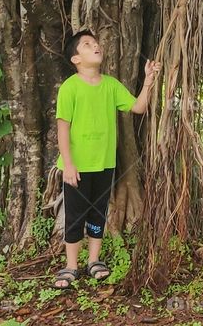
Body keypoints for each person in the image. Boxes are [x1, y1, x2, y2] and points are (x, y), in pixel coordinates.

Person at [51, 29, 159, 288]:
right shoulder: (70, 87)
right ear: (76, 59)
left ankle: (94, 261)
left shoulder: (111, 84)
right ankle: (71, 266)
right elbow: (62, 127)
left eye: (96, 43)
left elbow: (138, 107)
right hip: (77, 166)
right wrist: (68, 163)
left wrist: (148, 81)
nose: (95, 46)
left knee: (98, 214)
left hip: (104, 164)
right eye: (87, 45)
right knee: (75, 216)